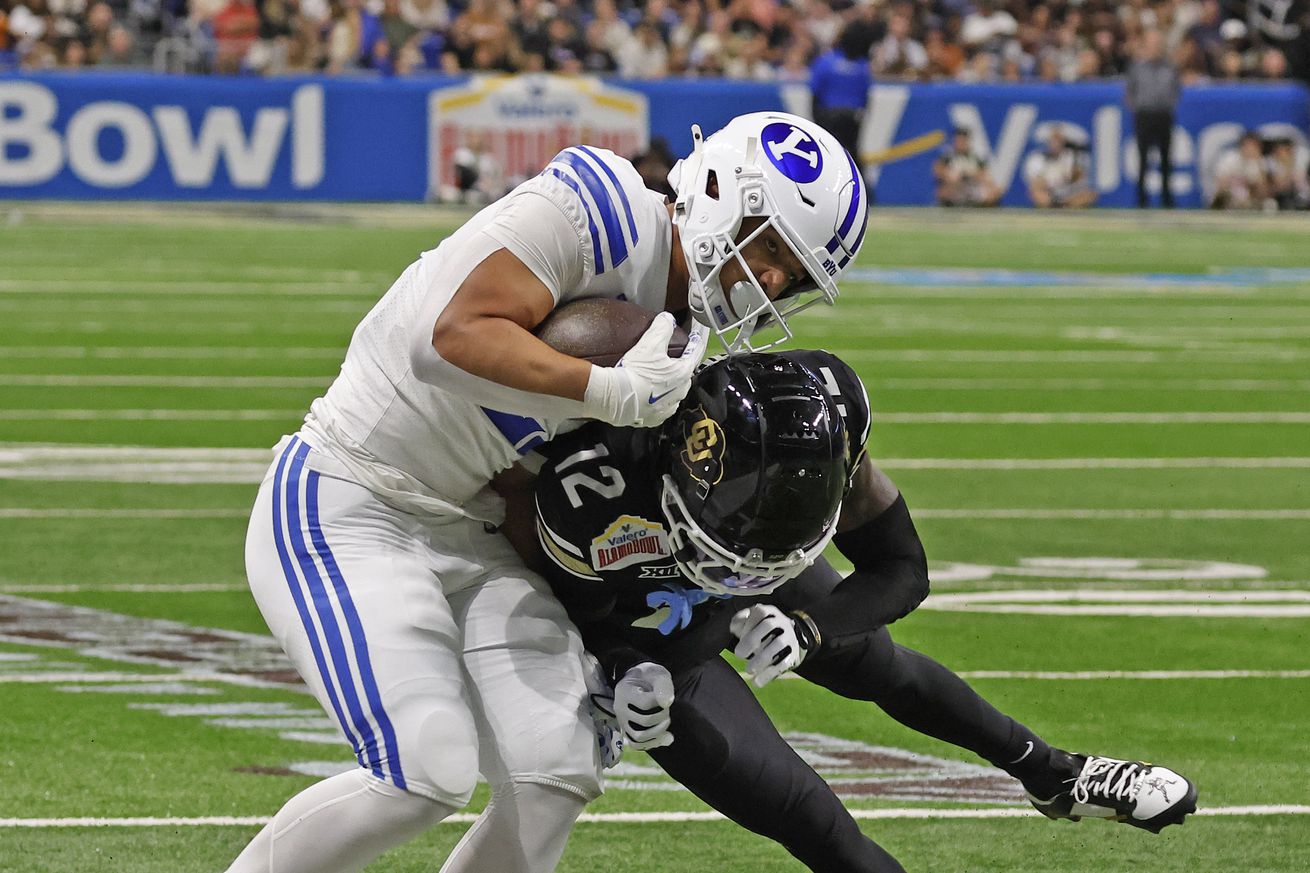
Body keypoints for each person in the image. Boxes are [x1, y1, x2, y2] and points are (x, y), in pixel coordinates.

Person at [224, 111, 868, 873]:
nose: (769, 282)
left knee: (558, 764)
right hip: (353, 492)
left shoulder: (686, 338)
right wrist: (606, 389)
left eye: (791, 276)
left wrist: (627, 653)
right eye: (770, 250)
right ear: (726, 191)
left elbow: (567, 507)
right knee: (422, 770)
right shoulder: (602, 209)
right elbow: (444, 337)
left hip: (481, 530)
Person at [514, 353, 1198, 872]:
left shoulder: (825, 421)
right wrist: (624, 672)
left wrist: (810, 630)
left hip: (752, 572)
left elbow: (902, 567)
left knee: (873, 659)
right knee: (803, 810)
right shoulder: (592, 487)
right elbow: (580, 612)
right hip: (648, 628)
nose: (741, 573)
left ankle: (1057, 774)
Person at [1126, 28, 1181, 208]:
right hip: (1144, 116)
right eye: (1151, 44)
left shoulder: (1170, 68)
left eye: (1157, 44)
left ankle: (1167, 199)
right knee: (1143, 160)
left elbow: (1176, 91)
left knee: (1166, 160)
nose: (1155, 47)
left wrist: (1168, 105)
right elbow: (1129, 94)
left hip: (1164, 115)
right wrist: (1139, 108)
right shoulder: (1137, 68)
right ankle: (1142, 200)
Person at [1025, 128, 1098, 208]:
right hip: (1049, 193)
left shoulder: (1072, 156)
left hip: (1069, 193)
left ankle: (1065, 205)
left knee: (1090, 195)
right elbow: (1035, 183)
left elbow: (1079, 176)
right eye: (1053, 140)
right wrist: (1056, 180)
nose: (1056, 144)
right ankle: (1052, 205)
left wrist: (1075, 159)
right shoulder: (1037, 158)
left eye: (1059, 140)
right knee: (1036, 193)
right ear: (1048, 142)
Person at [933, 127, 1002, 206]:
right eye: (959, 140)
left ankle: (983, 208)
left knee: (993, 189)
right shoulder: (947, 157)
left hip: (972, 188)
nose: (961, 143)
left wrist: (969, 174)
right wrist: (952, 175)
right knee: (951, 179)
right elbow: (938, 171)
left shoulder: (976, 159)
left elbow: (984, 175)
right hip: (955, 190)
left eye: (963, 140)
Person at [1210, 130, 1270, 209]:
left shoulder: (1259, 162)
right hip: (1227, 199)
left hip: (1249, 202)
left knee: (1269, 203)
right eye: (1247, 146)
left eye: (1253, 146)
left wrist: (1258, 165)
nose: (1250, 149)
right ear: (1241, 146)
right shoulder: (1229, 158)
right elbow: (1221, 185)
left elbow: (1264, 192)